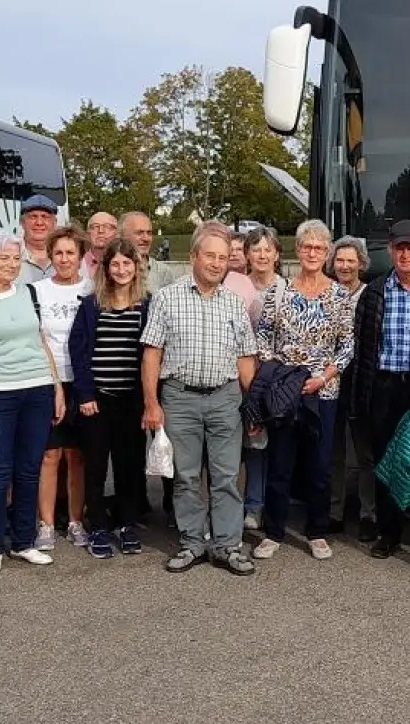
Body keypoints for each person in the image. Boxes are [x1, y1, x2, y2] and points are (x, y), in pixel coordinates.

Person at [141, 222, 260, 575]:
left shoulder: (234, 304)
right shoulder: (167, 298)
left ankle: (226, 546)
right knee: (186, 477)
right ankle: (192, 542)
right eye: (210, 255)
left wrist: (252, 405)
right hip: (180, 398)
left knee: (225, 477)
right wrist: (152, 403)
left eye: (223, 258)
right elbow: (152, 354)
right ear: (193, 256)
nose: (217, 263)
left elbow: (244, 358)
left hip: (226, 399)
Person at [342, 220, 410, 560]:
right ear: (390, 250)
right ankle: (389, 532)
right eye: (399, 248)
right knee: (387, 461)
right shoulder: (374, 291)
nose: (405, 254)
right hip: (385, 385)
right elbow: (362, 351)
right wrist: (361, 400)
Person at [0, 230, 66, 574]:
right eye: (3, 258)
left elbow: (41, 342)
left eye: (16, 258)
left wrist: (57, 387)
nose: (11, 265)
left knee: (29, 469)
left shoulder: (27, 294)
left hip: (37, 390)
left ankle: (23, 541)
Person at [248, 220, 355, 562]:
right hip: (285, 392)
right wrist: (278, 373)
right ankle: (274, 531)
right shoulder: (279, 293)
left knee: (320, 465)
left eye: (319, 247)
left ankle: (317, 531)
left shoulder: (339, 294)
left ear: (327, 253)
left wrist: (323, 377)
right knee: (280, 463)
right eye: (307, 246)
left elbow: (347, 345)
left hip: (323, 391)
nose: (312, 253)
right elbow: (262, 338)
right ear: (297, 249)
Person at [68, 238, 151, 558]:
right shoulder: (91, 305)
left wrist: (149, 399)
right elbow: (79, 351)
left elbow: (152, 354)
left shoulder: (147, 304)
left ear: (136, 267)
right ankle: (98, 526)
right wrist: (85, 393)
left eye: (127, 264)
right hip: (98, 400)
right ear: (106, 268)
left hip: (132, 399)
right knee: (96, 466)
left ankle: (127, 523)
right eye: (115, 264)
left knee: (129, 465)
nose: (121, 270)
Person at [33, 227, 92, 552]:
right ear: (50, 256)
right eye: (59, 253)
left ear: (81, 256)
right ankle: (45, 525)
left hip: (83, 382)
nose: (65, 259)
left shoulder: (92, 288)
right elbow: (38, 339)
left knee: (77, 456)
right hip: (49, 380)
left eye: (71, 253)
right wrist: (55, 384)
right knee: (49, 455)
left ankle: (75, 520)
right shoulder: (37, 291)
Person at [229, 226, 286, 529]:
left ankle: (266, 507)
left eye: (268, 249)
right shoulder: (234, 285)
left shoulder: (287, 288)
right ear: (247, 254)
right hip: (238, 375)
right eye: (256, 249)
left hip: (275, 376)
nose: (262, 255)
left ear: (277, 253)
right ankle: (245, 506)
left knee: (270, 444)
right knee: (248, 444)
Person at [330, 235, 374, 536]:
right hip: (332, 380)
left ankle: (369, 513)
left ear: (361, 263)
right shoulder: (327, 293)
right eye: (340, 260)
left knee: (366, 453)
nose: (345, 266)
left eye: (350, 260)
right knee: (334, 451)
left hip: (363, 382)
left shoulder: (372, 295)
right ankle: (334, 510)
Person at [122, 211, 179, 293]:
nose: (146, 238)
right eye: (139, 233)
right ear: (123, 236)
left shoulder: (164, 272)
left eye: (149, 233)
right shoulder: (110, 271)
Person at [16, 194, 59, 284]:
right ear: (22, 223)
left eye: (45, 217)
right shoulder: (7, 255)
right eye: (33, 217)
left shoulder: (71, 256)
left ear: (54, 223)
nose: (39, 223)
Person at [83, 212, 120, 282]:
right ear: (88, 234)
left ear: (117, 234)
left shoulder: (125, 264)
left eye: (108, 227)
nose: (101, 231)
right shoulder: (76, 263)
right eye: (95, 227)